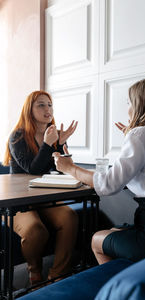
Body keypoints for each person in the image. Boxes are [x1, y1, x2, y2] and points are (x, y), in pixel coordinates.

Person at [53, 78, 145, 266]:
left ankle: (119, 288)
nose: (127, 108)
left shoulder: (139, 134)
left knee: (97, 239)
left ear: (140, 105)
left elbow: (108, 185)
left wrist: (70, 168)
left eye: (129, 103)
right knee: (114, 231)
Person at [3, 90, 79, 285]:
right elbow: (33, 169)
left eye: (50, 105)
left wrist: (61, 146)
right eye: (41, 105)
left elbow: (61, 170)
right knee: (36, 230)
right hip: (18, 200)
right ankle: (34, 272)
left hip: (44, 197)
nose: (48, 109)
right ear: (30, 110)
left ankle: (57, 275)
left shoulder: (53, 135)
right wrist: (48, 144)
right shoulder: (17, 136)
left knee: (70, 217)